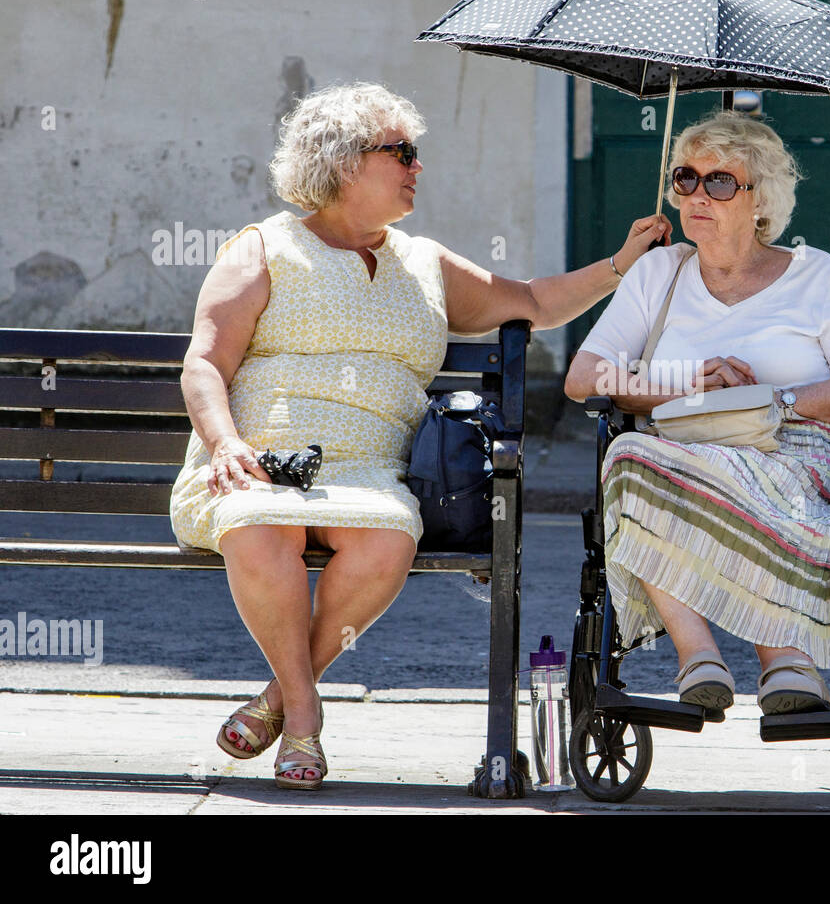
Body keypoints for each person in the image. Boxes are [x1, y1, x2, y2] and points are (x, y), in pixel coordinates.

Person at [169, 82, 669, 789]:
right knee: (260, 525)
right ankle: (305, 715)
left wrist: (624, 263)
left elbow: (531, 302)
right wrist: (225, 445)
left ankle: (280, 698)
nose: (417, 165)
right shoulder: (264, 250)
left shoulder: (425, 264)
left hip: (368, 470)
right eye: (401, 151)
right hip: (258, 463)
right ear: (344, 162)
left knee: (390, 537)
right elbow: (205, 363)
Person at [564, 110, 830, 716]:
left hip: (796, 449)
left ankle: (786, 659)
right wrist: (686, 387)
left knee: (732, 474)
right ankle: (699, 658)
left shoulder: (812, 274)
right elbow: (585, 379)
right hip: (683, 450)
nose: (697, 195)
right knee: (630, 456)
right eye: (685, 179)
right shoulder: (659, 272)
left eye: (720, 182)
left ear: (759, 199)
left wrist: (771, 399)